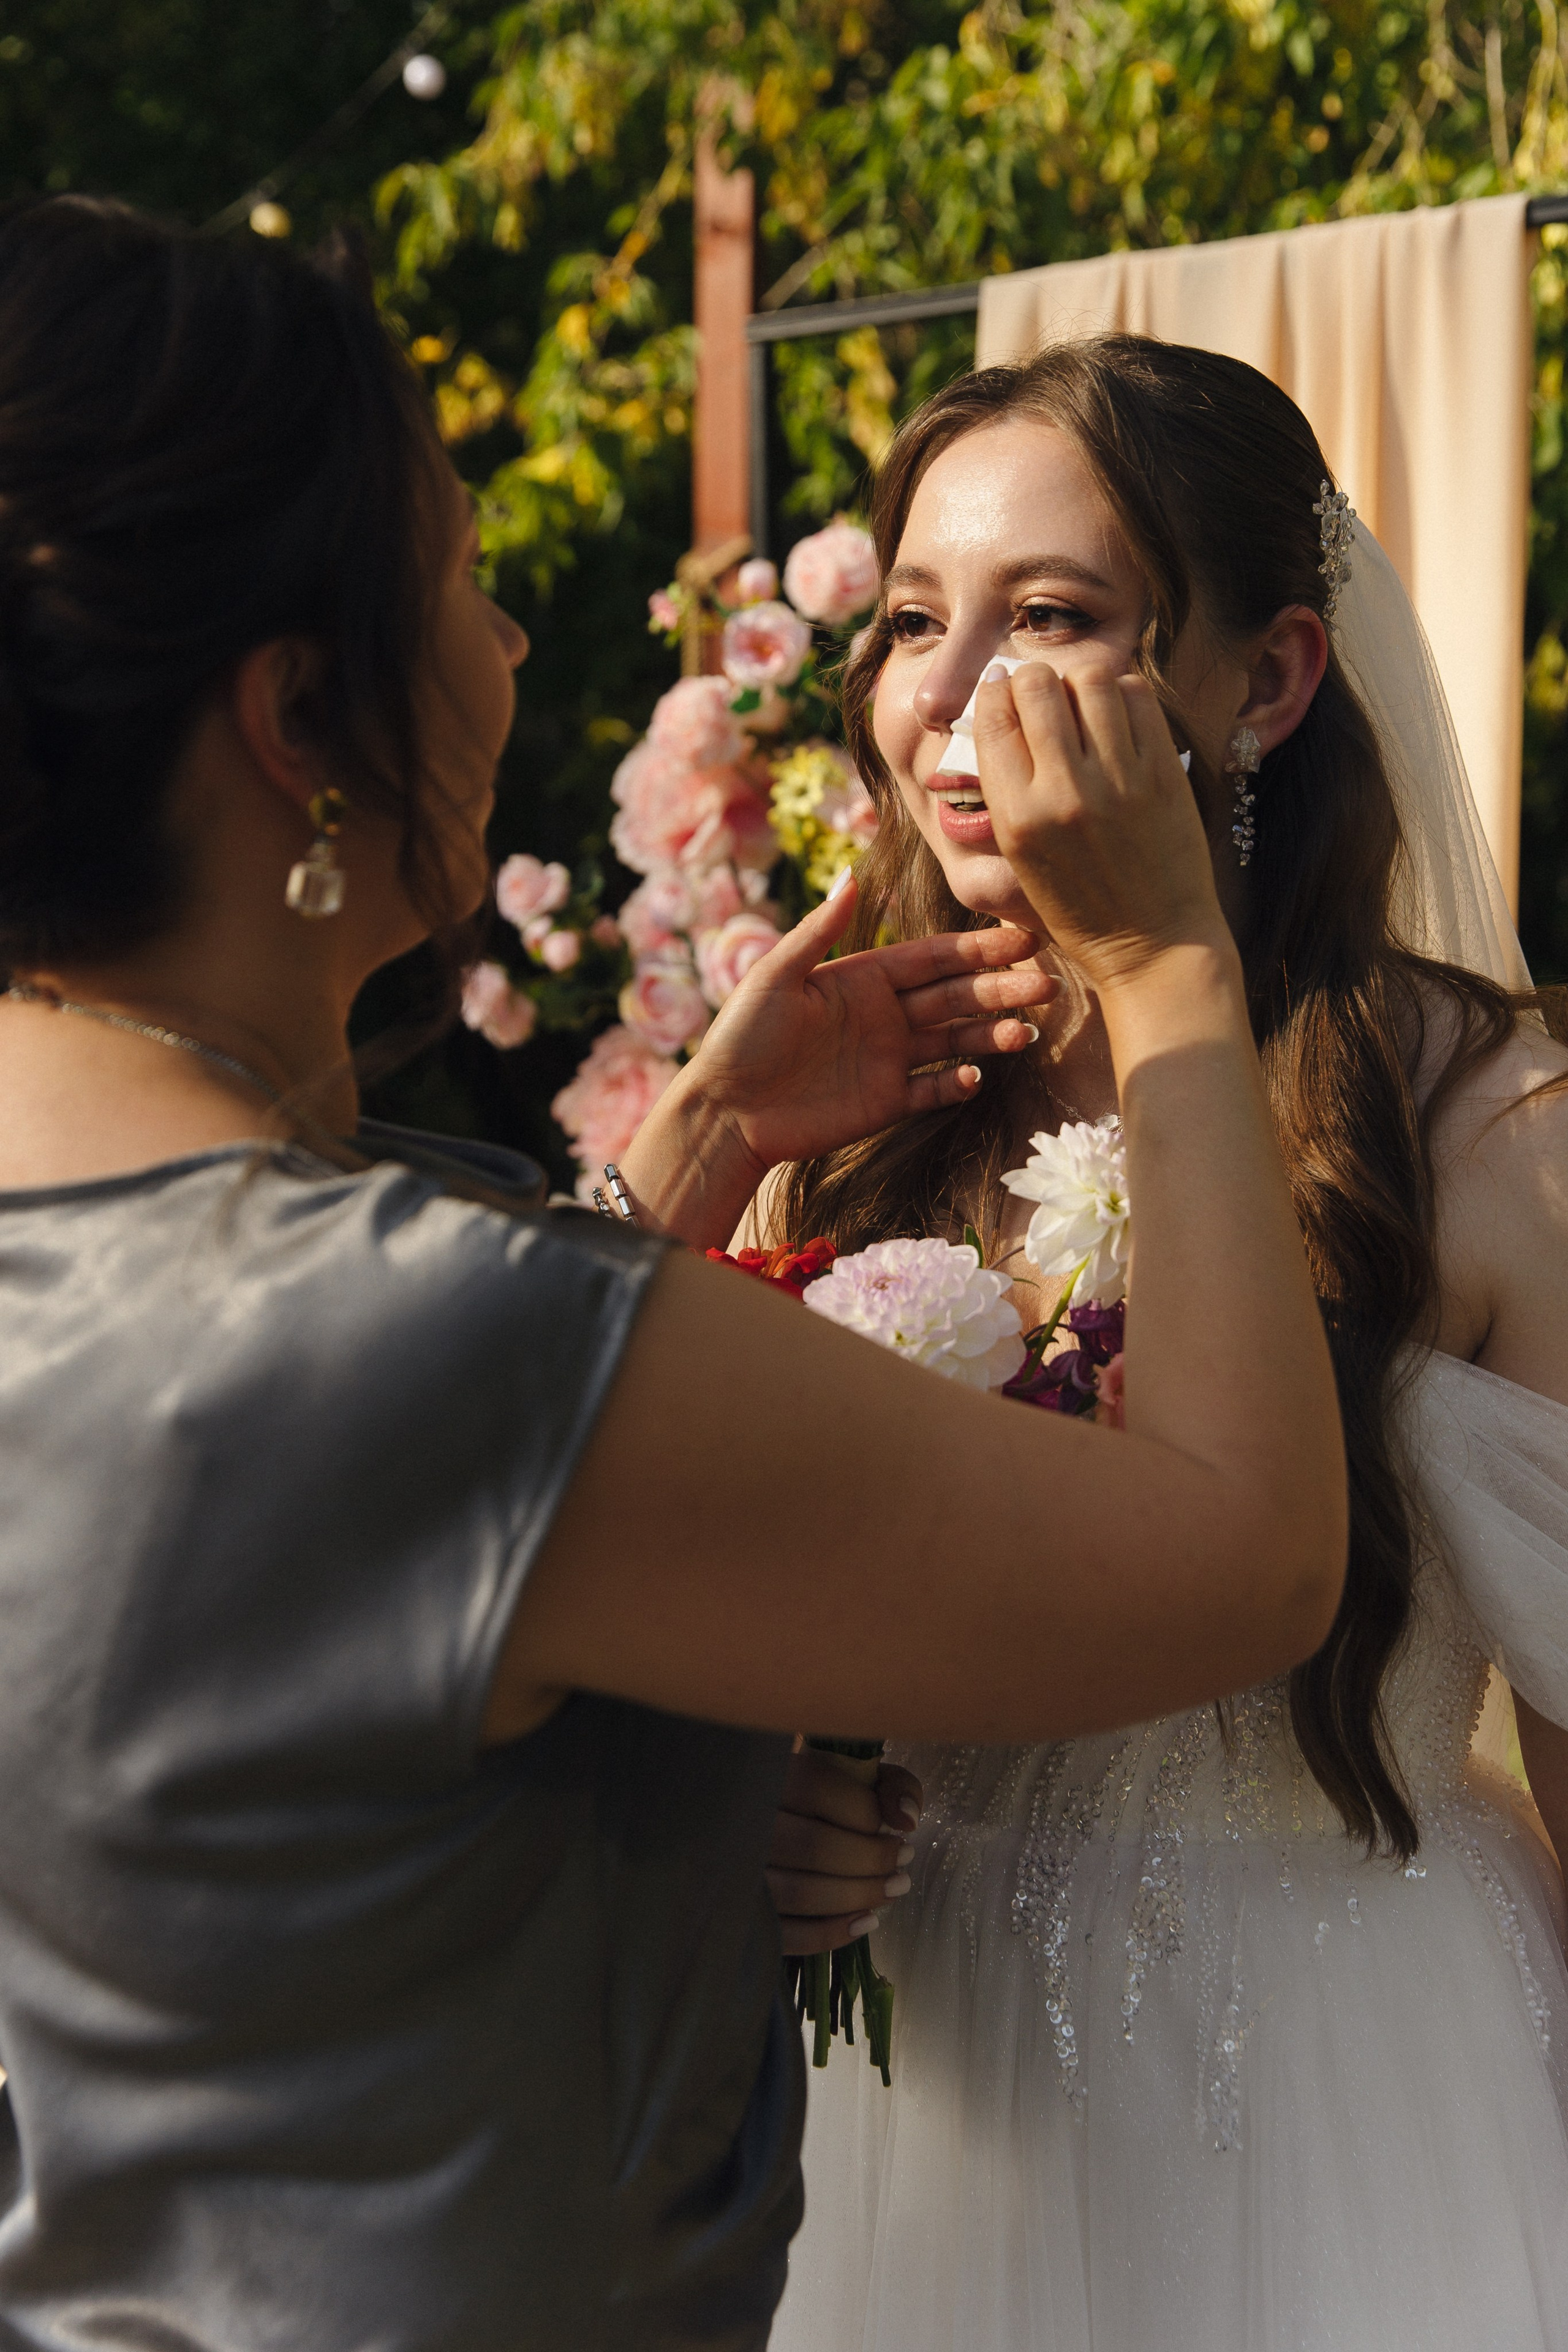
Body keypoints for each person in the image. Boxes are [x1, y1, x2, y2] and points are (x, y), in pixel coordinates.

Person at [0, 203, 1344, 2352]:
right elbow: (1253, 1557)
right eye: (459, 576)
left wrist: (706, 1144)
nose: (516, 641)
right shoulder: (431, 1333)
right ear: (300, 722)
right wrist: (1174, 971)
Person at [761, 337, 1568, 2352]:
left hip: (1343, 2091)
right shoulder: (847, 1135)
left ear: (1269, 680)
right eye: (914, 621)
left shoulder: (1481, 1129)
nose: (944, 703)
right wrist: (759, 1819)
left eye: (1049, 618)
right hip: (904, 2116)